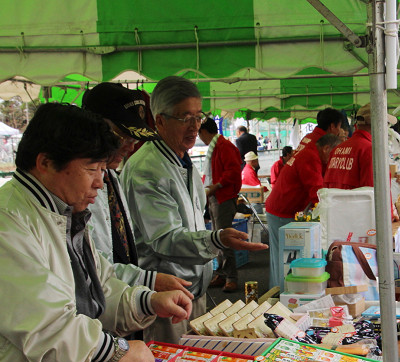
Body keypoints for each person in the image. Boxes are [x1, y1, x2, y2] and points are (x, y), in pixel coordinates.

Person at [0, 103, 192, 362]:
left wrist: (147, 300)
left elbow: (101, 286)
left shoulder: (64, 213)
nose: (100, 183)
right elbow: (47, 326)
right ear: (45, 162)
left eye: (104, 170)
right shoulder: (10, 221)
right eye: (92, 169)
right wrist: (117, 350)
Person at [120, 76, 267, 343]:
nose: (194, 126)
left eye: (198, 117)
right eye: (184, 117)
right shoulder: (147, 169)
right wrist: (215, 238)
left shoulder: (181, 159)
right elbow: (165, 239)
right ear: (160, 120)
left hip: (191, 287)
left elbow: (193, 221)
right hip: (165, 293)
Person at [83, 83, 194, 310]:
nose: (130, 145)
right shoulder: (77, 189)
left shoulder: (112, 176)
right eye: (122, 136)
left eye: (134, 138)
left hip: (122, 301)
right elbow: (92, 266)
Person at [265, 133, 341, 288]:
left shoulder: (310, 152)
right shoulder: (310, 157)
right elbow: (317, 192)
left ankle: (278, 294)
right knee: (283, 260)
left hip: (284, 209)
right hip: (282, 212)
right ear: (326, 149)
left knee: (281, 258)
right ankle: (279, 297)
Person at [199, 116, 243, 292]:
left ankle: (231, 276)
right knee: (218, 238)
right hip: (216, 196)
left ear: (204, 132)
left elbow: (233, 172)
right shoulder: (218, 147)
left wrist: (215, 186)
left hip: (222, 196)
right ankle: (223, 274)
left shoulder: (224, 147)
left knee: (224, 238)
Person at [323, 103, 396, 189]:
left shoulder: (337, 150)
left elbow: (326, 189)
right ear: (379, 124)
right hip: (360, 202)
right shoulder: (371, 151)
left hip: (336, 202)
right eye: (386, 124)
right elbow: (376, 193)